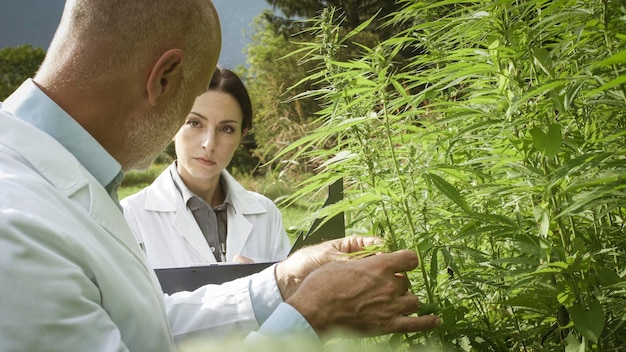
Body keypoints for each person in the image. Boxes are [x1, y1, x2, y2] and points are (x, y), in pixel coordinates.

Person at [0, 0, 441, 351]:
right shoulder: (16, 226)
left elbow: (148, 328)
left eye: (227, 128)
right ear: (164, 78)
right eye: (193, 108)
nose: (208, 141)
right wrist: (310, 320)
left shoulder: (60, 182)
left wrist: (282, 282)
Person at [121, 67, 290, 268]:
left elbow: (292, 295)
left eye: (226, 129)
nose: (209, 143)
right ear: (173, 124)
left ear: (241, 137)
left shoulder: (266, 214)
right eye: (194, 123)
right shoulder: (130, 217)